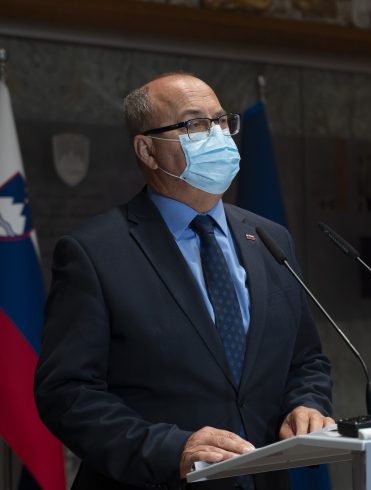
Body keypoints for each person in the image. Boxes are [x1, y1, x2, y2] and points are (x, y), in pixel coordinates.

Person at [34, 72, 333, 490]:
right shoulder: (94, 252)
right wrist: (170, 450)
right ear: (147, 150)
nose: (217, 135)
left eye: (221, 120)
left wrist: (307, 404)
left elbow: (306, 360)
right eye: (195, 124)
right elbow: (67, 393)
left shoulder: (270, 238)